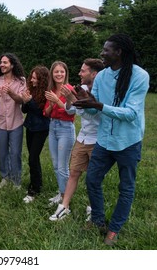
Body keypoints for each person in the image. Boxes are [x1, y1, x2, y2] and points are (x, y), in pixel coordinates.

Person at [73, 34, 149, 246]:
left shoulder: (139, 76)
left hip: (128, 141)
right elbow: (94, 109)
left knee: (126, 187)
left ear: (119, 52)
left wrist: (99, 106)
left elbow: (131, 113)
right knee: (92, 180)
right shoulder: (103, 76)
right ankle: (98, 219)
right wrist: (83, 102)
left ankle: (114, 228)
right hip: (105, 140)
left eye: (106, 50)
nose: (102, 53)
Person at [49, 58, 104, 221]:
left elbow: (92, 115)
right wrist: (69, 101)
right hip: (83, 137)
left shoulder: (103, 91)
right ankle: (64, 207)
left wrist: (73, 101)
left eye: (83, 71)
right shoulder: (82, 88)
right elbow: (71, 109)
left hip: (98, 139)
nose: (79, 73)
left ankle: (93, 208)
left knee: (93, 177)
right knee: (73, 172)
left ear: (93, 74)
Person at [0, 53, 27, 189]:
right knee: (2, 152)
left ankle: (16, 180)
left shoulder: (21, 81)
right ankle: (5, 177)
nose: (2, 65)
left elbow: (22, 100)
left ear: (12, 65)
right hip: (0, 122)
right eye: (1, 62)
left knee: (15, 152)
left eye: (5, 63)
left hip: (16, 122)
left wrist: (11, 92)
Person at [44, 61, 76, 206]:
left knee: (63, 166)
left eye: (61, 71)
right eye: (56, 72)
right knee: (56, 165)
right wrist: (51, 105)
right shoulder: (50, 90)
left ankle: (65, 200)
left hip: (65, 128)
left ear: (65, 73)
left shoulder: (70, 90)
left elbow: (72, 111)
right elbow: (46, 112)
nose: (59, 74)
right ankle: (61, 192)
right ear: (52, 74)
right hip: (53, 126)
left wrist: (57, 101)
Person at [21, 65, 50, 203]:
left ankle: (34, 189)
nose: (31, 80)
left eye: (34, 78)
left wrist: (30, 101)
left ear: (41, 79)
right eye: (31, 77)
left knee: (33, 157)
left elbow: (43, 113)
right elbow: (24, 110)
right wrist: (25, 101)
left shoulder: (46, 93)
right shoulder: (31, 90)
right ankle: (36, 183)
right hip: (30, 127)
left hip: (41, 129)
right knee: (33, 158)